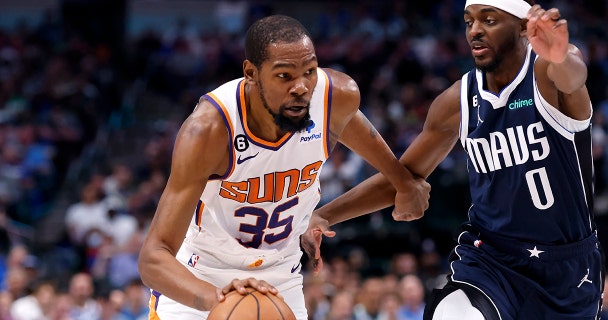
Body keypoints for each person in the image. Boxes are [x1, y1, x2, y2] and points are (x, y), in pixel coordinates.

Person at [302, 1, 603, 319]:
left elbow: (572, 75)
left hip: (568, 268)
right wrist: (324, 216)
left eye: (489, 20)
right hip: (492, 261)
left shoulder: (546, 73)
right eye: (469, 21)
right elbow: (405, 177)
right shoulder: (457, 101)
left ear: (522, 28)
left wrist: (560, 54)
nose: (475, 30)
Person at [137, 14, 430, 320]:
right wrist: (220, 301)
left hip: (279, 277)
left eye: (309, 71)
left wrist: (403, 182)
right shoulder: (210, 130)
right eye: (284, 76)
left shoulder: (333, 99)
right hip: (202, 276)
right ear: (251, 73)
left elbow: (376, 152)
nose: (301, 87)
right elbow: (153, 259)